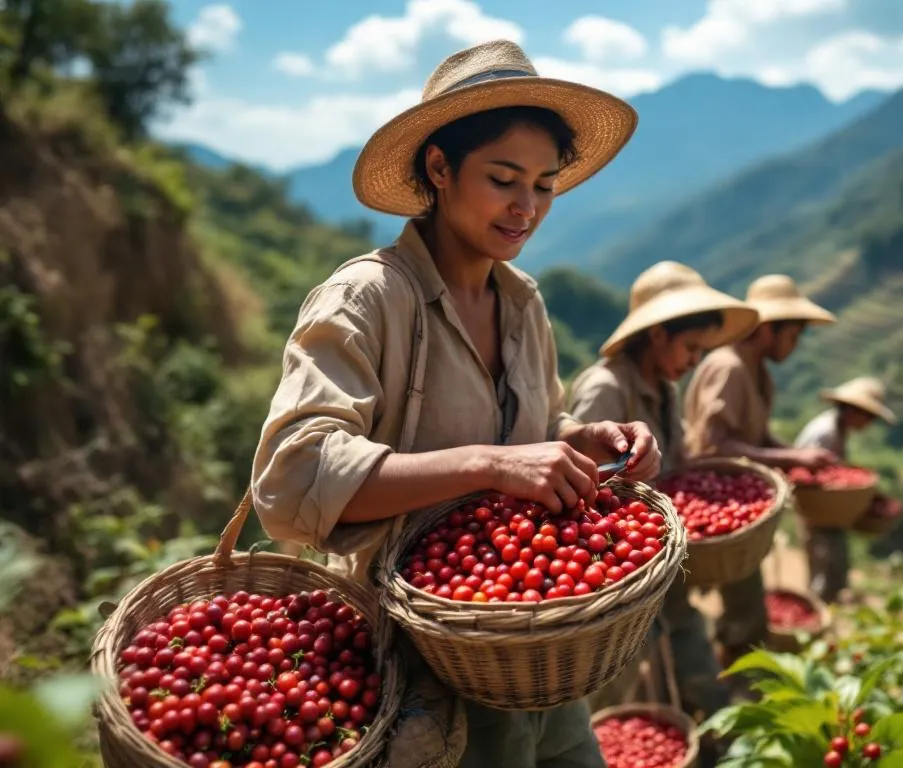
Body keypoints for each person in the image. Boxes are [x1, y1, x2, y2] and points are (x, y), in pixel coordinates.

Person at [249, 40, 661, 768]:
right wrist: (490, 464)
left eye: (544, 185)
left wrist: (583, 437)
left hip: (540, 644)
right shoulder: (368, 300)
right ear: (438, 168)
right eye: (503, 179)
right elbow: (292, 480)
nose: (526, 208)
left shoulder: (522, 302)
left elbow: (532, 433)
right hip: (421, 668)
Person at [567, 261, 758, 729]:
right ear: (657, 336)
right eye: (691, 347)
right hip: (618, 566)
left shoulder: (664, 388)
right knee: (619, 674)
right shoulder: (605, 389)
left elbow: (676, 465)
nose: (694, 361)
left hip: (657, 554)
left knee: (690, 640)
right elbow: (585, 492)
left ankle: (721, 735)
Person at [682, 273, 837, 671]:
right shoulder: (729, 367)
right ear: (769, 330)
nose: (795, 345)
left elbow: (757, 434)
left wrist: (795, 453)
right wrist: (792, 460)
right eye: (793, 335)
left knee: (742, 597)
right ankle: (730, 677)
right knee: (745, 606)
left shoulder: (757, 371)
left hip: (738, 502)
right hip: (713, 504)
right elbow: (715, 446)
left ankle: (726, 664)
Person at [794, 376, 896, 603]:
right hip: (817, 513)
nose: (868, 423)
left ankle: (825, 610)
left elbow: (835, 471)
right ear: (853, 411)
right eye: (868, 416)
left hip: (830, 514)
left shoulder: (838, 429)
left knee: (834, 570)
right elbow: (806, 477)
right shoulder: (825, 433)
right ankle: (817, 616)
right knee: (824, 572)